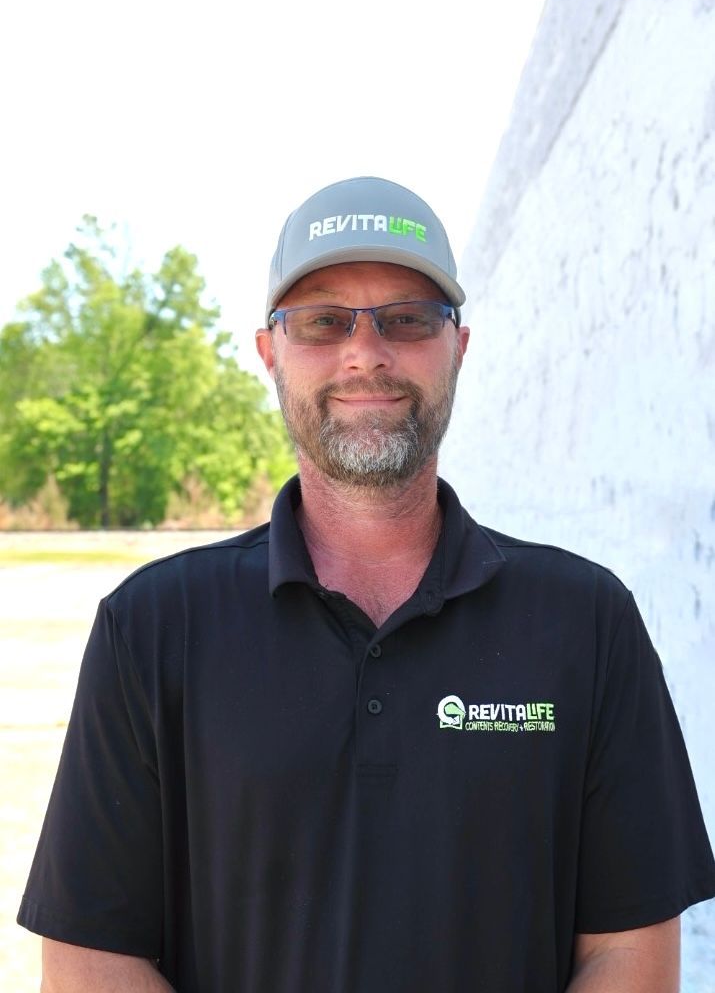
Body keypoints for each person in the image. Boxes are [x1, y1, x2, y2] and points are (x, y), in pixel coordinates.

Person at [19, 176, 715, 992]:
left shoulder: (585, 621)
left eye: (407, 319)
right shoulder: (152, 626)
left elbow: (627, 949)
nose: (365, 353)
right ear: (269, 352)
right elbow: (90, 953)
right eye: (321, 322)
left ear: (457, 346)